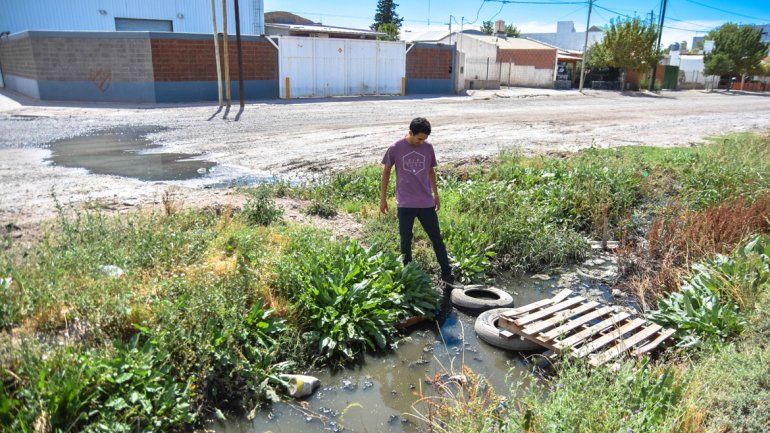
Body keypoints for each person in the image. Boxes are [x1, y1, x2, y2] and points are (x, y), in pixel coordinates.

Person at [379, 117, 455, 290]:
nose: (422, 142)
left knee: (436, 238)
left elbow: (430, 171)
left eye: (425, 139)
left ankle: (447, 274)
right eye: (419, 138)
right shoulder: (395, 148)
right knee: (406, 240)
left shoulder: (428, 148)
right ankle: (408, 274)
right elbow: (386, 173)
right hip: (405, 203)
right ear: (410, 132)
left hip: (426, 202)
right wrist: (383, 199)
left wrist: (436, 194)